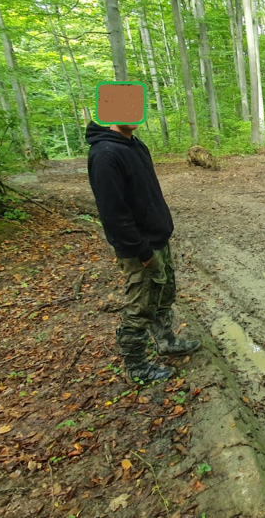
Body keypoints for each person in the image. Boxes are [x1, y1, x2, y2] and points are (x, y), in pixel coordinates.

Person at [86, 120, 200, 383]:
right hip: (139, 248)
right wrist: (141, 250)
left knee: (164, 294)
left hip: (157, 238)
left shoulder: (135, 144)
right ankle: (136, 367)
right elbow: (113, 213)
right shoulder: (105, 154)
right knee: (140, 307)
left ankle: (166, 341)